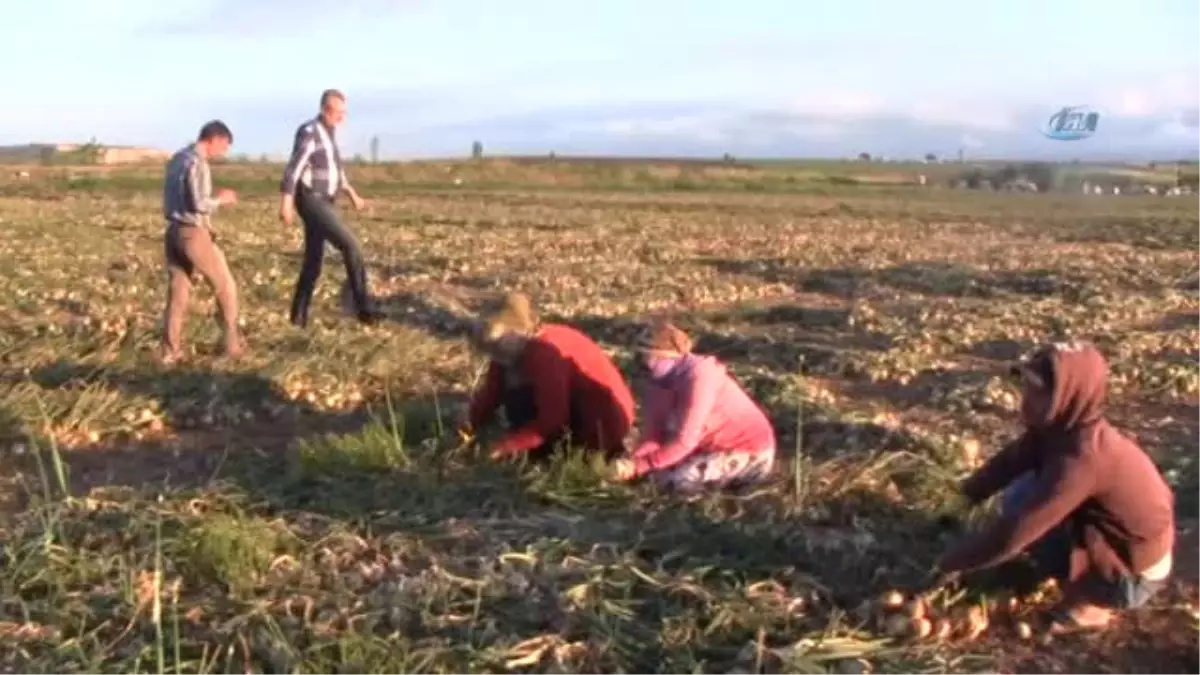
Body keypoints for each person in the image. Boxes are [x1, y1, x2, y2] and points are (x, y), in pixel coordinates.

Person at [933, 341, 1175, 633]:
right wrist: (963, 498)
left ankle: (1092, 608)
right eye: (1027, 387)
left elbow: (1012, 535)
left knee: (1029, 513)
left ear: (1068, 395)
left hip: (1132, 577)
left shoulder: (1082, 460)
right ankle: (1074, 569)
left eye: (1039, 392)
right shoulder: (1065, 428)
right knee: (1022, 491)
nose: (1026, 398)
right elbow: (1011, 461)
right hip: (1125, 544)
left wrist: (952, 563)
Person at [460, 293, 635, 460]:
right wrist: (470, 422)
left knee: (519, 402)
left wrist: (505, 447)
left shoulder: (544, 354)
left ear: (515, 333)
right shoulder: (512, 349)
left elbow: (552, 422)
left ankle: (557, 454)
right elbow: (493, 389)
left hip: (601, 425)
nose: (492, 353)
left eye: (495, 346)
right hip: (574, 411)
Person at [608, 320, 777, 492]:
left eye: (644, 356)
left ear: (664, 355)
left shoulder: (699, 377)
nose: (639, 362)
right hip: (704, 448)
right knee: (653, 476)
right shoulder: (657, 382)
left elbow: (685, 441)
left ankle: (736, 485)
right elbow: (654, 434)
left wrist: (641, 466)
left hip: (747, 451)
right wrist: (630, 463)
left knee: (675, 481)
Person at [279, 88, 384, 328]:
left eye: (344, 113)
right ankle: (364, 310)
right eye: (339, 113)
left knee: (313, 261)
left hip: (325, 200)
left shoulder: (329, 133)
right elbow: (294, 168)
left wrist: (352, 195)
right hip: (311, 199)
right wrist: (286, 201)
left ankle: (298, 319)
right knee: (351, 246)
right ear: (326, 110)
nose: (342, 118)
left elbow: (336, 171)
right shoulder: (309, 132)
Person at [160, 120, 243, 363]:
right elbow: (198, 203)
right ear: (214, 139)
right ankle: (231, 346)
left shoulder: (177, 159)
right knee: (226, 287)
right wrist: (222, 200)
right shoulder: (198, 163)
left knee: (178, 294)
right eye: (224, 146)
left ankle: (169, 351)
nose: (223, 152)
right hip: (193, 234)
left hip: (173, 232)